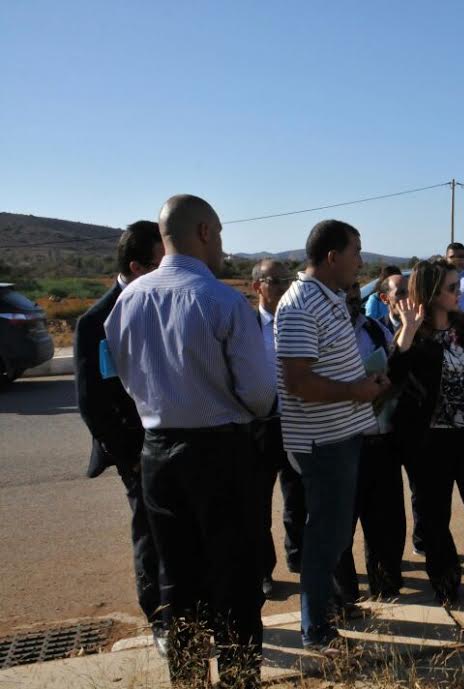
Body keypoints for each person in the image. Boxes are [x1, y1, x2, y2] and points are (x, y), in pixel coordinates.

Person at [104, 195, 275, 688]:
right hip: (221, 454)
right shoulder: (224, 302)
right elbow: (259, 394)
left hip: (159, 454)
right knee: (236, 580)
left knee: (179, 582)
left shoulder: (128, 301)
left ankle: (189, 680)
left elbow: (125, 376)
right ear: (203, 232)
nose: (221, 245)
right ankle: (239, 680)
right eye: (219, 234)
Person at [275, 220, 391, 654]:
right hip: (322, 442)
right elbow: (298, 382)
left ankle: (327, 611)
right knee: (325, 537)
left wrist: (365, 383)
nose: (360, 261)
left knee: (334, 534)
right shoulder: (301, 304)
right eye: (356, 252)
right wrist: (355, 391)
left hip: (341, 434)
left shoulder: (329, 297)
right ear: (331, 256)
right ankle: (316, 630)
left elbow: (328, 366)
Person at [390, 258, 464, 606]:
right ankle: (445, 582)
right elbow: (394, 377)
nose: (460, 292)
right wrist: (407, 332)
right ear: (431, 293)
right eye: (453, 288)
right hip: (430, 440)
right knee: (434, 515)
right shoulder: (412, 331)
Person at [74, 220, 166, 654]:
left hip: (173, 441)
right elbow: (92, 402)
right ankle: (161, 620)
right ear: (137, 267)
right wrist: (129, 456)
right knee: (149, 534)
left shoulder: (164, 304)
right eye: (161, 262)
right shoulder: (96, 321)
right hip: (136, 450)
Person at [334, 282, 406, 603]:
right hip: (341, 443)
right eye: (344, 290)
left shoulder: (376, 329)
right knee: (340, 528)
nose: (351, 295)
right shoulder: (322, 333)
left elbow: (395, 368)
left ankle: (385, 589)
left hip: (380, 439)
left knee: (385, 523)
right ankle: (344, 599)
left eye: (354, 290)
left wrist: (387, 382)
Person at [250, 259, 306, 597]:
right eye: (275, 281)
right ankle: (263, 572)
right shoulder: (246, 327)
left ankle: (299, 557)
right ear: (257, 286)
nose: (284, 286)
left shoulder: (297, 322)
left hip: (295, 421)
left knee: (298, 498)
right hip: (259, 426)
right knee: (258, 505)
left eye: (287, 280)